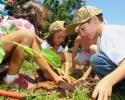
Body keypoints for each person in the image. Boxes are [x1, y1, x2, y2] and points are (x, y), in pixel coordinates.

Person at [0, 1, 74, 91]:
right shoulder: (28, 27)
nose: (44, 23)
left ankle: (5, 71)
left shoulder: (12, 21)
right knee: (27, 35)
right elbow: (37, 56)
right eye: (43, 19)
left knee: (18, 46)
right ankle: (11, 80)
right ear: (36, 16)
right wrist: (56, 78)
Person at [65, 5, 125, 99]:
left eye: (82, 28)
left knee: (96, 59)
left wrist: (108, 81)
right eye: (79, 31)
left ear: (94, 20)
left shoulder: (109, 33)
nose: (82, 34)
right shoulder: (100, 39)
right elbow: (95, 63)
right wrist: (83, 78)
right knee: (97, 60)